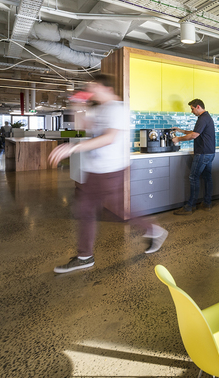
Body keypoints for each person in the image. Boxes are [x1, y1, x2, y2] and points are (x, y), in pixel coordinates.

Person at [48, 73, 168, 274]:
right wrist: (78, 105)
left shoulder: (117, 108)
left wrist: (73, 148)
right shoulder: (99, 109)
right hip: (95, 170)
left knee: (100, 210)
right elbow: (83, 127)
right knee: (91, 210)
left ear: (107, 88)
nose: (91, 91)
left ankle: (86, 256)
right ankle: (86, 255)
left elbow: (109, 137)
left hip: (111, 169)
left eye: (94, 87)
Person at [172, 98, 216, 215]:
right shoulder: (206, 117)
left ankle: (189, 207)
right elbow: (195, 132)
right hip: (209, 153)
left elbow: (194, 135)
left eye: (192, 109)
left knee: (193, 178)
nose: (191, 111)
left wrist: (178, 139)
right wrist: (181, 130)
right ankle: (207, 203)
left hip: (202, 153)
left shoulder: (202, 118)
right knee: (207, 177)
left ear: (198, 107)